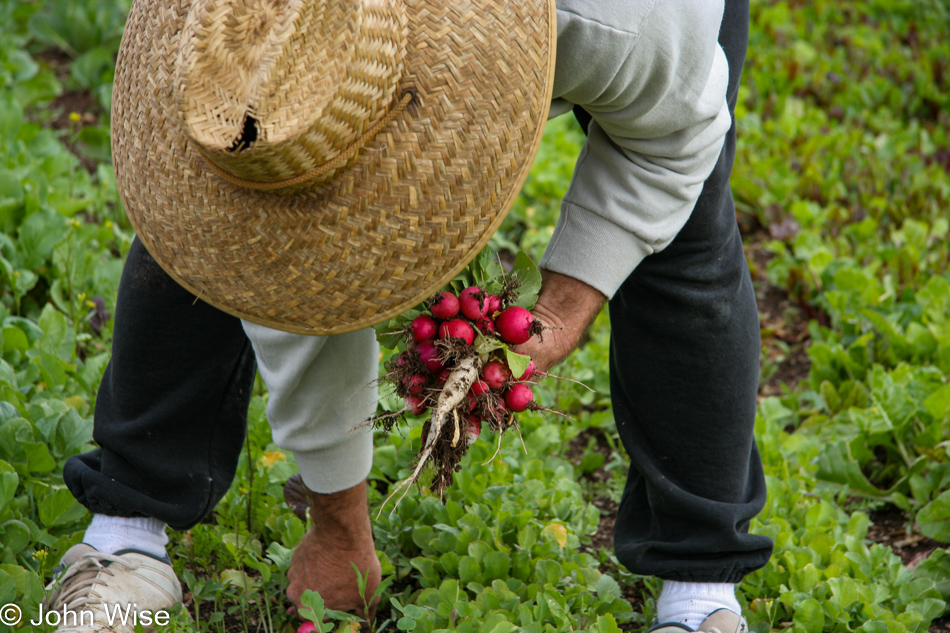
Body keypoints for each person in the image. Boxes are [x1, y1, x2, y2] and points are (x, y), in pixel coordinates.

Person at [45, 0, 773, 631]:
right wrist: (339, 518)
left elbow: (672, 143)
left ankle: (700, 590)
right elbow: (286, 280)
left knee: (686, 234)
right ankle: (126, 531)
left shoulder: (623, 20)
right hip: (289, 59)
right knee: (216, 208)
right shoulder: (224, 36)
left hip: (607, 29)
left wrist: (566, 304)